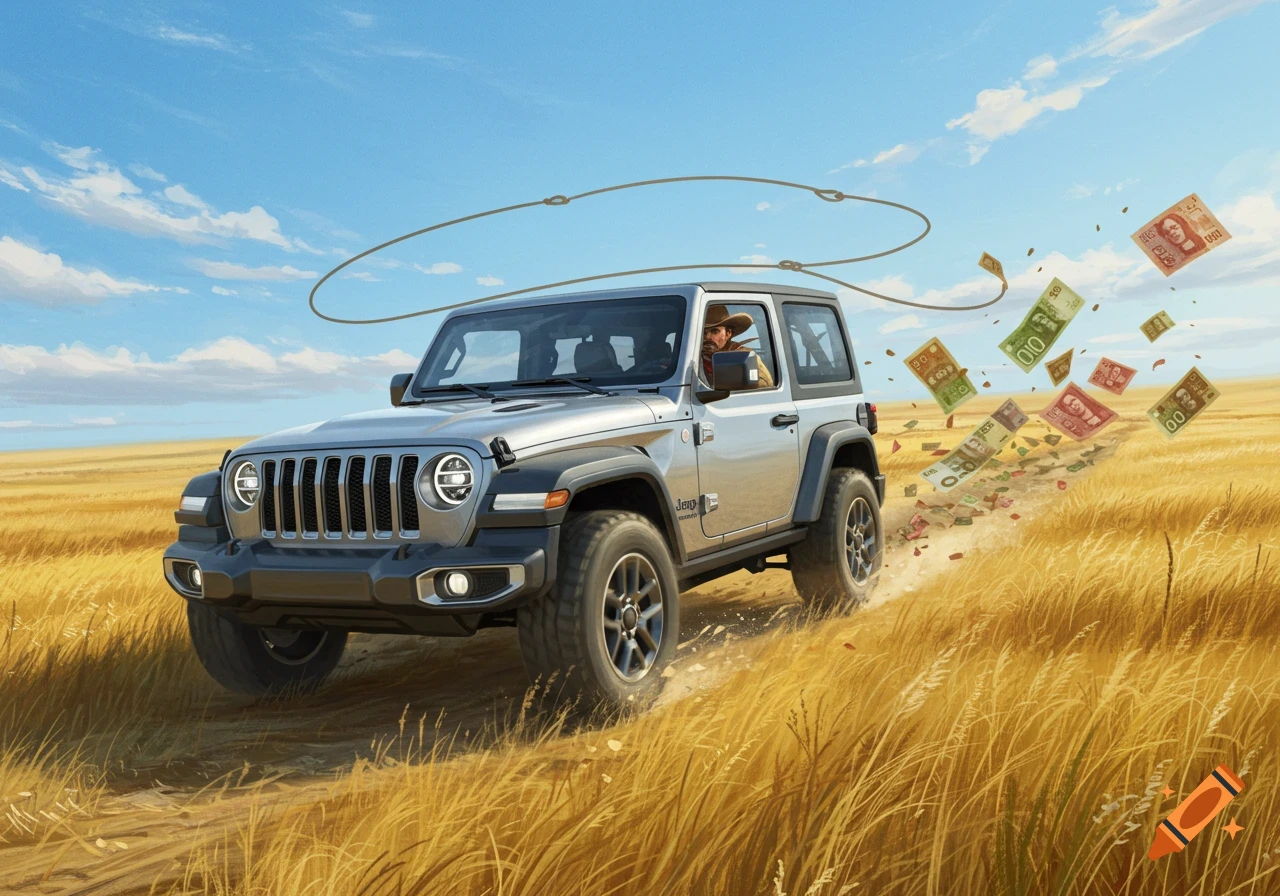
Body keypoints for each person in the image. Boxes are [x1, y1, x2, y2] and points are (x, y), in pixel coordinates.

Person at [701, 304, 774, 388]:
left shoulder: (744, 355)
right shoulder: (691, 355)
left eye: (715, 331)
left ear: (728, 334)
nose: (708, 337)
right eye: (704, 333)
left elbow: (765, 384)